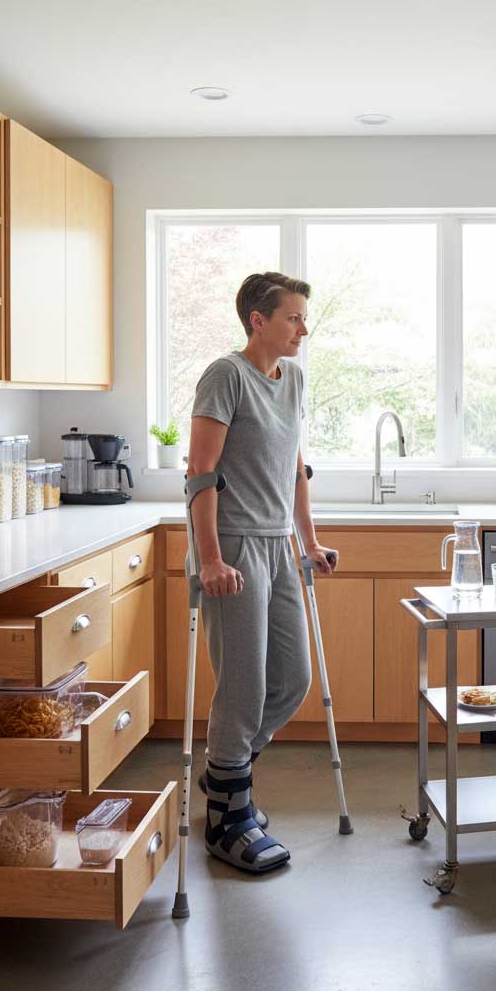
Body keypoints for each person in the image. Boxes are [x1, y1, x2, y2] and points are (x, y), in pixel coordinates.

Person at [185, 270, 338, 874]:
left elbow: (293, 468)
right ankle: (228, 818)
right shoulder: (226, 377)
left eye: (303, 316)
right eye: (293, 316)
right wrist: (212, 558)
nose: (303, 327)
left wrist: (312, 542)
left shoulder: (293, 378)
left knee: (291, 681)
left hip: (278, 545)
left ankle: (226, 773)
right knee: (243, 685)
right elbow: (200, 472)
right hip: (233, 548)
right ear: (258, 320)